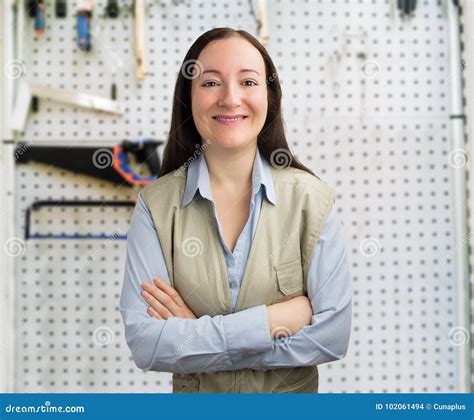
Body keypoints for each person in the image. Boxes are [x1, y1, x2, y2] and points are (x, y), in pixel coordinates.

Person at [119, 27, 352, 393]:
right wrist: (272, 322)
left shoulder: (312, 201)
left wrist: (195, 335)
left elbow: (331, 338)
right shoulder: (156, 208)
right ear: (188, 98)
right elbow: (147, 345)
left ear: (269, 97)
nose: (230, 99)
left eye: (248, 82)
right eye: (211, 83)